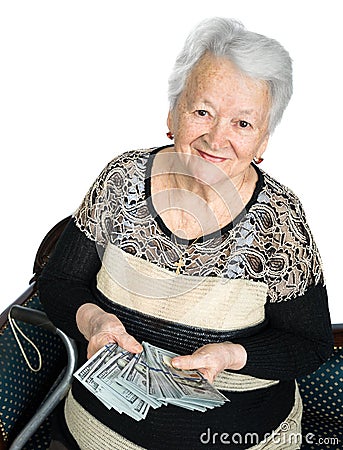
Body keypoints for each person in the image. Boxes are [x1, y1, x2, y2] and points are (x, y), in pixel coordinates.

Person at [39, 17, 333, 450]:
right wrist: (95, 320)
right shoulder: (122, 180)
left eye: (243, 124)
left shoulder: (281, 219)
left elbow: (310, 344)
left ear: (264, 141)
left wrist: (232, 355)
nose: (217, 137)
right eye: (202, 112)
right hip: (97, 435)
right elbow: (58, 281)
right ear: (173, 113)